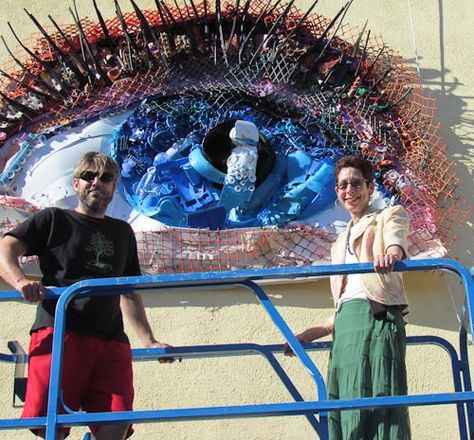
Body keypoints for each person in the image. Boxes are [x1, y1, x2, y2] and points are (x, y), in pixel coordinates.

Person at [0, 151, 173, 440]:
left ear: (114, 187)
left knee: (116, 423)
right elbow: (7, 247)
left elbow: (128, 291)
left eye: (105, 177)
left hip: (110, 339)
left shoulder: (122, 232)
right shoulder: (54, 219)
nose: (97, 182)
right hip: (61, 331)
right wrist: (19, 282)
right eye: (88, 176)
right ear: (75, 183)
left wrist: (149, 340)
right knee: (50, 423)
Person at [284, 155, 411, 439]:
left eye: (355, 183)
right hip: (345, 328)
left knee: (381, 395)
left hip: (378, 316)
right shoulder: (338, 244)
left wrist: (392, 253)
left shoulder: (386, 216)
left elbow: (395, 236)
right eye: (342, 185)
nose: (349, 191)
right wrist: (309, 333)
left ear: (369, 186)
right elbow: (343, 302)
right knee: (345, 402)